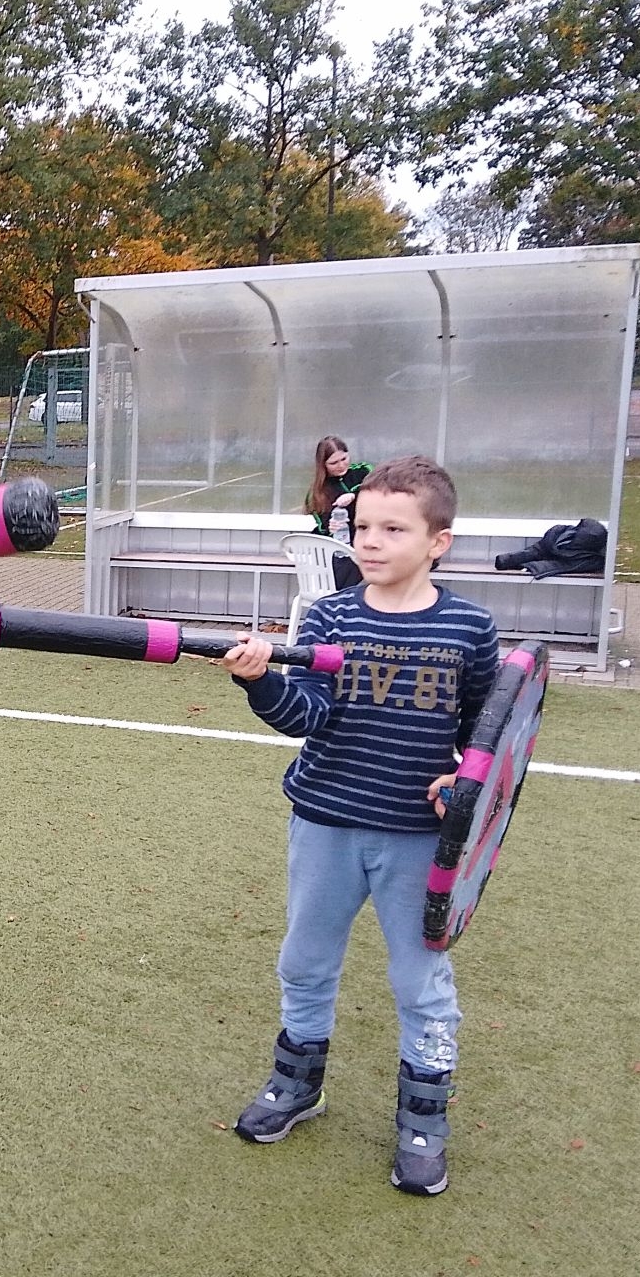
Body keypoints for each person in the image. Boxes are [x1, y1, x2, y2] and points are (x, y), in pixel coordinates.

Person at [221, 456, 498, 1196]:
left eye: (392, 529)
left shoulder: (470, 628)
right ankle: (297, 1084)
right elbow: (305, 716)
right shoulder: (330, 617)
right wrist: (260, 681)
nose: (370, 541)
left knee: (420, 980)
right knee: (305, 961)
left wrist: (464, 779)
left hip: (416, 838)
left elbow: (486, 735)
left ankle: (423, 1120)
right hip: (325, 824)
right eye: (361, 526)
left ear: (438, 541)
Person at [304, 436, 370, 589]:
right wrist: (330, 527)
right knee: (344, 563)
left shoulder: (362, 472)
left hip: (366, 537)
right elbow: (322, 526)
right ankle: (339, 596)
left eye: (344, 459)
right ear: (323, 465)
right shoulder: (318, 492)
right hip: (339, 546)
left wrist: (354, 495)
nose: (341, 465)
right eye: (334, 463)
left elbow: (378, 486)